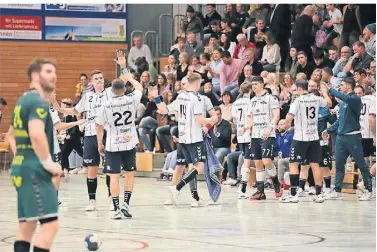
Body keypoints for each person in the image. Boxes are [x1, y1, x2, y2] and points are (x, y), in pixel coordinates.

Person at [7, 58, 62, 252]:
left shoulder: (22, 100)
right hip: (34, 170)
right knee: (50, 225)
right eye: (48, 71)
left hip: (21, 168)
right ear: (35, 75)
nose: (54, 75)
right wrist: (49, 163)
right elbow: (37, 133)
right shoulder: (38, 101)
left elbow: (10, 134)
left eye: (54, 71)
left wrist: (21, 155)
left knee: (27, 226)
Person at [53, 69, 114, 211]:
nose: (99, 80)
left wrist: (123, 66)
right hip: (90, 135)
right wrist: (59, 108)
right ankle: (92, 200)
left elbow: (124, 80)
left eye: (101, 78)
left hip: (107, 134)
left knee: (110, 169)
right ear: (92, 82)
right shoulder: (87, 97)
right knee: (91, 169)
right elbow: (75, 111)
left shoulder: (110, 93)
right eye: (96, 78)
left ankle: (112, 198)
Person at [156, 73, 217, 206]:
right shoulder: (196, 99)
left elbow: (163, 109)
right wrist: (210, 120)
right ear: (198, 82)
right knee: (197, 167)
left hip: (184, 137)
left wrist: (156, 97)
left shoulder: (182, 97)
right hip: (193, 138)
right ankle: (176, 189)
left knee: (184, 167)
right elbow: (200, 119)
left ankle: (194, 198)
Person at [96, 75, 143, 219]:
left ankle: (116, 208)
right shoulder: (131, 99)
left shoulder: (106, 105)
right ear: (124, 89)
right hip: (129, 142)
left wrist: (99, 143)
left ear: (111, 90)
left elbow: (99, 126)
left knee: (114, 177)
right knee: (129, 174)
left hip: (113, 144)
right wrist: (130, 78)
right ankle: (126, 205)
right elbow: (139, 88)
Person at [280, 80, 332, 203]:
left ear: (299, 89)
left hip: (300, 138)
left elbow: (289, 117)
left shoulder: (297, 101)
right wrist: (324, 93)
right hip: (314, 137)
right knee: (315, 165)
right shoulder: (315, 98)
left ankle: (293, 195)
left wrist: (285, 126)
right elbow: (329, 103)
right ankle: (319, 195)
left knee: (294, 164)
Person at [322, 78, 373, 201]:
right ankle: (337, 190)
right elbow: (340, 121)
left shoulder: (355, 99)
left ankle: (369, 190)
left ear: (349, 87)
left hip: (353, 137)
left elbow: (344, 97)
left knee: (361, 164)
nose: (341, 87)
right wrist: (328, 130)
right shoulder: (344, 103)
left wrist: (329, 90)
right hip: (341, 138)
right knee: (339, 165)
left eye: (343, 85)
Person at [244, 76, 282, 200]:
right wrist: (247, 126)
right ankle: (260, 191)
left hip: (267, 133)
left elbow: (276, 116)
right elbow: (250, 117)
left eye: (255, 84)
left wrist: (269, 129)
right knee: (258, 163)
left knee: (266, 161)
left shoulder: (271, 98)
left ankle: (276, 182)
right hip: (255, 134)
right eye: (252, 85)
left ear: (261, 84)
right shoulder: (252, 100)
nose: (253, 87)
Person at [228, 82, 252, 193]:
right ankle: (243, 185)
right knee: (247, 160)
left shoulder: (236, 103)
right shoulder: (251, 102)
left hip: (240, 134)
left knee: (244, 157)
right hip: (249, 133)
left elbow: (234, 120)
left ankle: (242, 182)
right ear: (250, 90)